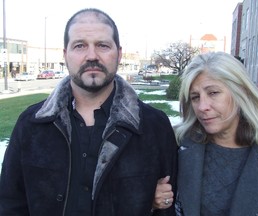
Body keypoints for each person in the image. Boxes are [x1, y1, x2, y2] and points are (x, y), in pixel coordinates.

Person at [0, 8, 178, 216]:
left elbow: (168, 207)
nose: (92, 56)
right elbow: (9, 204)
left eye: (102, 45)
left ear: (119, 54)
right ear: (66, 55)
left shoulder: (154, 126)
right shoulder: (31, 124)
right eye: (80, 45)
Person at [154, 51, 258, 215]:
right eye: (195, 97)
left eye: (213, 93)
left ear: (240, 92)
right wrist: (154, 202)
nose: (203, 106)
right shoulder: (178, 147)